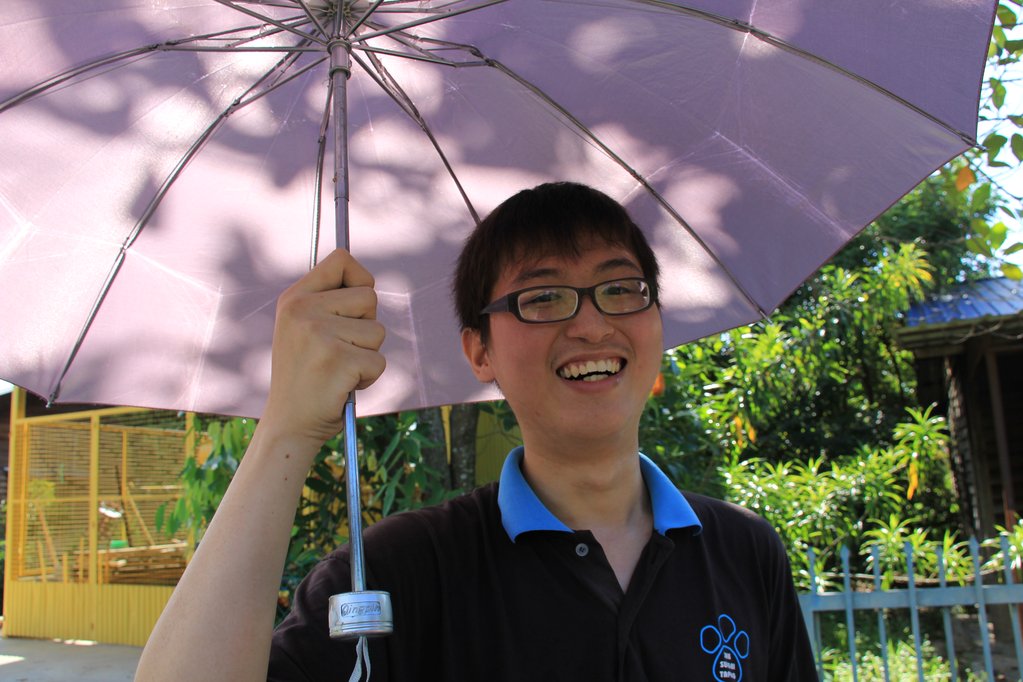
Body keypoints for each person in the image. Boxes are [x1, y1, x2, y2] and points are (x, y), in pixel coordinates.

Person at [136, 182, 817, 681]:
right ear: (479, 351)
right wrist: (287, 427)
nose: (591, 325)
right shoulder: (399, 572)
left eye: (621, 289)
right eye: (542, 297)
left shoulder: (744, 552)